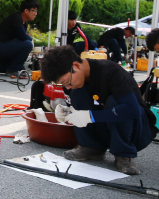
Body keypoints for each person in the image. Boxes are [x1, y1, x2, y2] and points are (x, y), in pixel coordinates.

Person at [41, 46, 157, 175]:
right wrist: (68, 112)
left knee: (115, 102)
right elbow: (80, 107)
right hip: (106, 128)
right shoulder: (73, 81)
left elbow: (132, 110)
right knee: (77, 92)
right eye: (63, 85)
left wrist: (90, 116)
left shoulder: (111, 72)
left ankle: (124, 154)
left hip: (137, 130)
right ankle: (91, 146)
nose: (67, 86)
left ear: (76, 66)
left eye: (65, 81)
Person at [0, 0, 38, 76]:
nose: (36, 13)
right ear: (26, 10)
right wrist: (32, 40)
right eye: (34, 10)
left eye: (36, 11)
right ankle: (12, 70)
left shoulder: (24, 23)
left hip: (5, 48)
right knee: (28, 44)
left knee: (6, 68)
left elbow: (19, 39)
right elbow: (22, 36)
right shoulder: (16, 17)